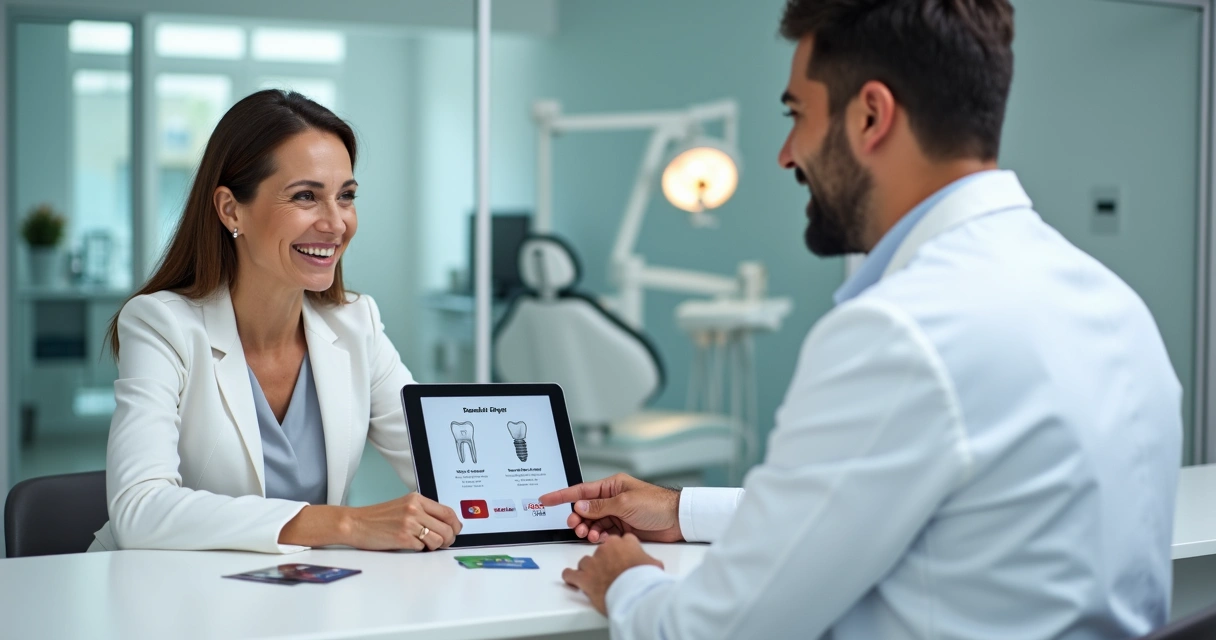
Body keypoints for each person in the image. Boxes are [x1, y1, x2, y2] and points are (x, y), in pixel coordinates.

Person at [540, 1, 1182, 638]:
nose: (787, 155)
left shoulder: (902, 332)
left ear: (871, 114)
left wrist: (624, 579)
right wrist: (684, 509)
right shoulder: (1113, 305)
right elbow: (882, 514)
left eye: (797, 116)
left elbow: (712, 632)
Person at [89, 90, 462, 554]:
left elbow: (451, 470)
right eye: (306, 196)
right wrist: (343, 525)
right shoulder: (161, 324)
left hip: (298, 603)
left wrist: (561, 504)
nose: (335, 223)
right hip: (171, 602)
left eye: (345, 196)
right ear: (230, 209)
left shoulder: (355, 323)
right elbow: (140, 511)